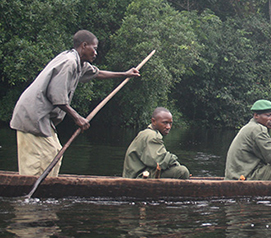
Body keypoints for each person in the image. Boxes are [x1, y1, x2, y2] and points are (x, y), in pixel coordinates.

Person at [10, 30, 140, 177]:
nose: (96, 53)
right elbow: (56, 96)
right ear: (84, 45)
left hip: (42, 117)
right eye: (94, 48)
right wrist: (77, 117)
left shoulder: (80, 63)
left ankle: (45, 191)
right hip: (32, 114)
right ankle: (29, 191)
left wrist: (125, 74)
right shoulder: (70, 62)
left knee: (55, 153)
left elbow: (98, 74)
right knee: (45, 155)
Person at [122, 107, 190, 179]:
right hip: (138, 176)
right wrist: (175, 162)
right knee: (182, 171)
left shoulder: (146, 133)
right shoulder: (152, 136)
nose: (168, 127)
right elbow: (160, 161)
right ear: (153, 121)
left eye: (170, 123)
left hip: (137, 174)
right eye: (165, 123)